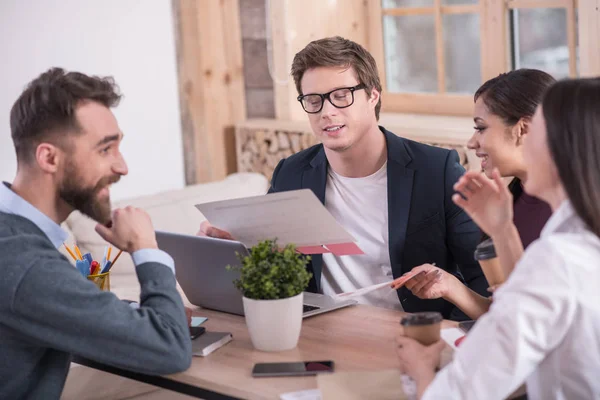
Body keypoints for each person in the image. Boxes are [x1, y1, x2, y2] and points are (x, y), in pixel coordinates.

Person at [199, 36, 487, 320]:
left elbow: (482, 280)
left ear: (373, 95)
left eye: (340, 96)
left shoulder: (436, 170)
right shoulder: (292, 173)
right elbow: (274, 269)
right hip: (321, 334)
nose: (327, 112)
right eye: (313, 100)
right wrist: (237, 245)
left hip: (411, 333)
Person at [396, 77, 600, 399]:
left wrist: (422, 367)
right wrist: (502, 229)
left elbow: (456, 394)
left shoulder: (558, 257)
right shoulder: (576, 236)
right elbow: (521, 306)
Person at [0, 68, 192, 400]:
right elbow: (170, 348)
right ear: (49, 157)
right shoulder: (27, 264)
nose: (122, 167)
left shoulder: (18, 239)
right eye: (105, 150)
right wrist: (145, 248)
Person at [403, 69, 556, 320]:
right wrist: (451, 287)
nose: (472, 143)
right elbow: (508, 315)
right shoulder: (510, 205)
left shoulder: (573, 212)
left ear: (523, 129)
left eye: (481, 128)